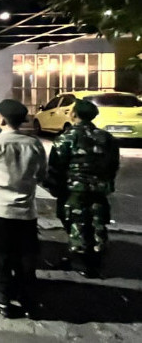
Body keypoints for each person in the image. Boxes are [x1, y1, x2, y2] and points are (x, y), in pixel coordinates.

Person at [0, 99, 46, 319]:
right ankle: (28, 298)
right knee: (26, 255)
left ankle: (2, 296)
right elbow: (42, 174)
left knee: (1, 254)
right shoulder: (34, 144)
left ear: (2, 120)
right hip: (27, 210)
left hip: (0, 209)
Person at [44, 99, 119, 278]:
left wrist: (54, 187)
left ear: (74, 114)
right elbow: (113, 163)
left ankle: (81, 261)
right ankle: (96, 258)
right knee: (97, 220)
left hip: (74, 189)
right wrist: (106, 182)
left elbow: (56, 166)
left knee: (76, 222)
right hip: (99, 188)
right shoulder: (106, 137)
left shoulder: (67, 137)